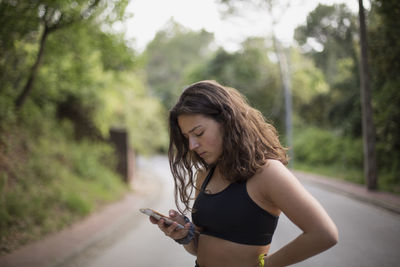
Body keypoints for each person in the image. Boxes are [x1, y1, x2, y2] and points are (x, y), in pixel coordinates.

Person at [149, 80, 338, 267]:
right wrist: (184, 235)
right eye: (187, 137)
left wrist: (266, 265)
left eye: (198, 133)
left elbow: (324, 234)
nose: (192, 145)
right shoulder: (205, 175)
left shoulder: (268, 172)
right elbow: (198, 248)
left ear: (227, 121)